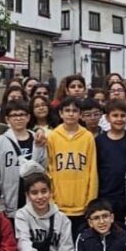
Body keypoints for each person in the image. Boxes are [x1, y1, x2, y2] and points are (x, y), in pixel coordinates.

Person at [47, 97, 99, 233]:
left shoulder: (87, 137)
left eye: (75, 111)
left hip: (82, 205)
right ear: (61, 113)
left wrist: (91, 201)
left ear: (80, 114)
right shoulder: (53, 137)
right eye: (67, 110)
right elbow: (49, 170)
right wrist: (51, 199)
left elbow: (92, 170)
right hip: (58, 204)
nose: (71, 114)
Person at [0, 101, 47, 215]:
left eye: (22, 114)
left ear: (28, 117)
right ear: (7, 119)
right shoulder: (0, 141)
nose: (18, 118)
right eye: (14, 115)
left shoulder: (37, 140)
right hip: (8, 203)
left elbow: (44, 169)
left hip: (34, 203)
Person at [95, 99, 126, 224]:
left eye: (123, 115)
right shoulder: (99, 141)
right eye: (115, 115)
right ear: (107, 118)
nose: (119, 119)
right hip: (106, 195)